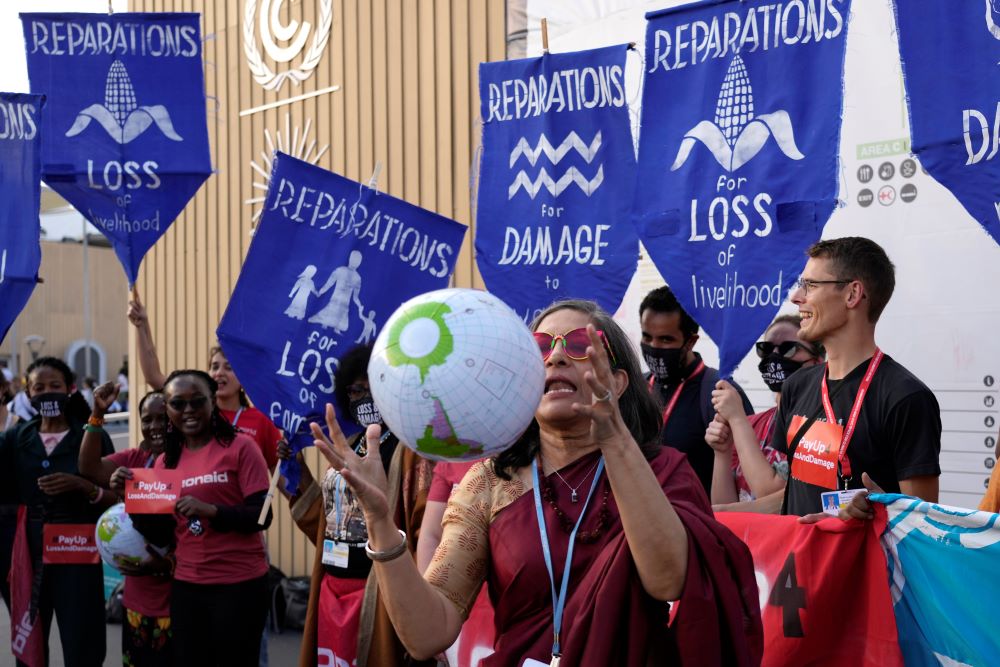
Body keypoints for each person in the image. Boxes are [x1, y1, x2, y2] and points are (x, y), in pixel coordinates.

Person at [311, 300, 763, 665]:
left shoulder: (664, 470)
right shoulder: (489, 482)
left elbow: (668, 581)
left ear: (620, 381)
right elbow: (427, 634)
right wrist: (379, 523)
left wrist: (612, 437)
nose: (558, 354)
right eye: (542, 345)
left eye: (581, 343)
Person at [282, 343, 434, 667]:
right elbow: (323, 517)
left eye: (371, 387)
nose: (362, 397)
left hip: (377, 593)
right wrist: (294, 467)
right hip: (331, 587)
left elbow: (426, 529)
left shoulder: (413, 451)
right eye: (354, 390)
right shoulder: (349, 444)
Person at [772, 237, 941, 518]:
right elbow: (795, 495)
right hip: (801, 561)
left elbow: (921, 525)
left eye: (811, 285)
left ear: (852, 294)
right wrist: (717, 513)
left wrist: (878, 510)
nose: (796, 297)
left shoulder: (905, 397)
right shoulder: (796, 386)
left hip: (865, 562)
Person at [113, 369, 272, 666]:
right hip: (187, 586)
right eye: (177, 403)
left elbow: (262, 516)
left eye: (197, 401)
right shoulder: (165, 461)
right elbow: (161, 534)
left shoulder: (241, 447)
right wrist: (130, 497)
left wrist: (211, 511)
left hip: (238, 586)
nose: (188, 410)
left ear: (212, 401)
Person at [0, 357, 117, 667]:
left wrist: (82, 486)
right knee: (29, 641)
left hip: (77, 550)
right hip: (28, 550)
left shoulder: (90, 436)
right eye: (38, 387)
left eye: (55, 386)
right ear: (27, 393)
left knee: (83, 640)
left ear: (70, 389)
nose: (46, 393)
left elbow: (117, 497)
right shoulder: (15, 438)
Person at [129, 292, 282, 471]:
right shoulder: (194, 413)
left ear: (243, 378)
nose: (219, 373)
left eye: (229, 368)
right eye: (214, 367)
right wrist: (142, 326)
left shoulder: (261, 420)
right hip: (192, 497)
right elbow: (153, 376)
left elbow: (280, 477)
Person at [79, 385, 174, 667]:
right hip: (136, 602)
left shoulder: (194, 462)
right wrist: (97, 414)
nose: (155, 426)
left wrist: (167, 564)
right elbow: (88, 467)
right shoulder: (135, 460)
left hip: (180, 601)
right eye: (147, 419)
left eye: (163, 418)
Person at [639, 285, 753, 494]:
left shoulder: (720, 393)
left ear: (690, 341)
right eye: (647, 337)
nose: (654, 346)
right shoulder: (635, 387)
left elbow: (747, 479)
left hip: (695, 521)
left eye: (665, 339)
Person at [707, 315, 825, 510]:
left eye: (789, 349)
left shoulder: (821, 424)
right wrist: (722, 452)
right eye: (766, 349)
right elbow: (724, 509)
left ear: (818, 361)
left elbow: (771, 497)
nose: (775, 357)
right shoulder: (751, 424)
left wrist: (737, 419)